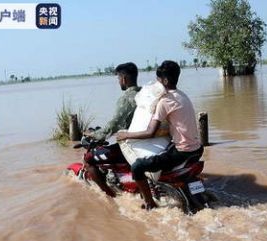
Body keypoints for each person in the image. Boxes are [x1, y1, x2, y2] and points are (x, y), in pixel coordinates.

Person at [117, 61, 204, 210]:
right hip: (197, 149)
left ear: (164, 81)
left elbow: (150, 132)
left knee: (138, 167)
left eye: (158, 80)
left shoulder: (164, 101)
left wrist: (126, 135)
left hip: (182, 152)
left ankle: (150, 203)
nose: (157, 83)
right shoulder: (183, 96)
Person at [84, 62, 141, 197]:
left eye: (118, 78)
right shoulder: (143, 94)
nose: (118, 82)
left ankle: (110, 196)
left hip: (130, 144)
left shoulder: (127, 98)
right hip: (144, 141)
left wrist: (95, 135)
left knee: (88, 159)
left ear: (123, 79)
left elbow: (114, 124)